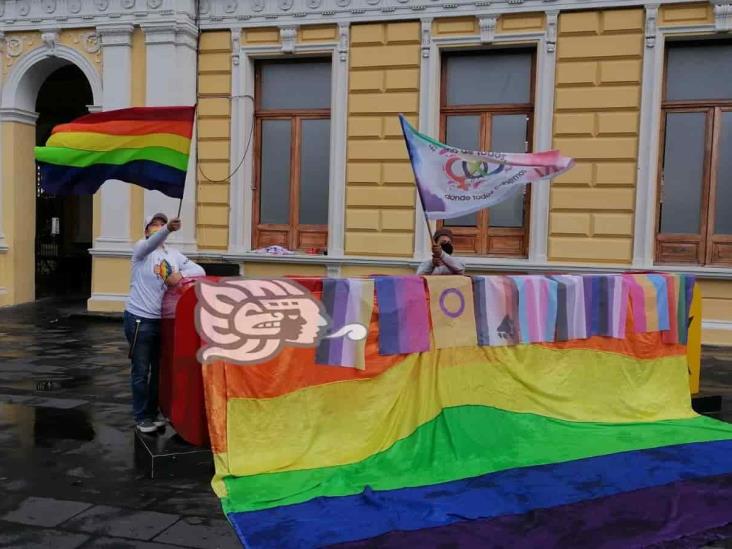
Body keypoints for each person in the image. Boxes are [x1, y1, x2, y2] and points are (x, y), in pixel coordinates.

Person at [124, 213, 205, 433]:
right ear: (147, 230)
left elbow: (199, 271)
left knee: (159, 371)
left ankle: (152, 413)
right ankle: (141, 416)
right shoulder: (142, 249)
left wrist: (177, 275)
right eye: (154, 225)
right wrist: (168, 228)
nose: (158, 227)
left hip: (162, 321)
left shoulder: (172, 254)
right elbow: (151, 243)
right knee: (141, 370)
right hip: (139, 319)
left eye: (161, 224)